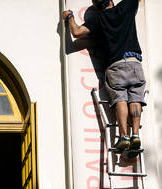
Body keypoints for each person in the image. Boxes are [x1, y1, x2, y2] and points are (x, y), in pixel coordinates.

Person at [63, 0, 146, 156]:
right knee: (136, 97)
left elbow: (77, 32)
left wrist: (69, 17)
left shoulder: (97, 19)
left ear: (96, 6)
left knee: (120, 98)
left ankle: (124, 136)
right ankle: (135, 134)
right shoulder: (126, 6)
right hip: (134, 62)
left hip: (115, 64)